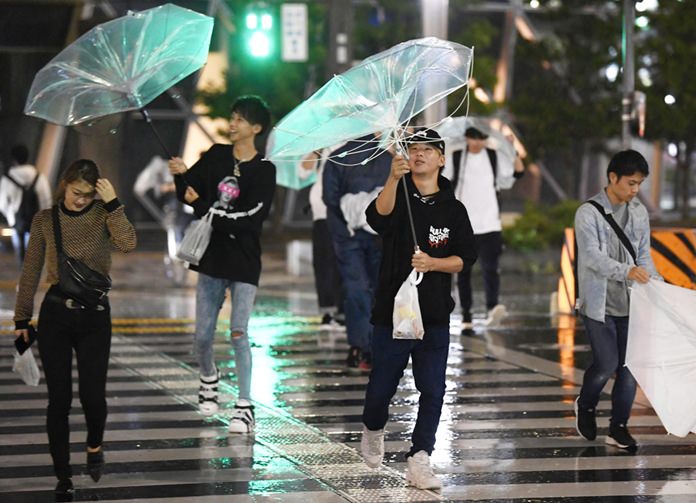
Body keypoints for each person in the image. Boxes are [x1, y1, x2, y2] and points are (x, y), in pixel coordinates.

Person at [360, 129, 477, 489]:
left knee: (434, 390)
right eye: (414, 149)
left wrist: (434, 263)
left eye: (428, 149)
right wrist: (392, 179)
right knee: (381, 387)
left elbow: (464, 259)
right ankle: (373, 428)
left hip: (434, 314)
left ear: (442, 159)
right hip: (393, 314)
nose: (419, 154)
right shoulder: (399, 195)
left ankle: (420, 458)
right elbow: (376, 219)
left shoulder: (453, 209)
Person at [13, 159, 136, 500]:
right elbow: (30, 272)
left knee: (92, 397)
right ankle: (63, 475)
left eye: (86, 195)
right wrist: (22, 319)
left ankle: (94, 446)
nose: (80, 200)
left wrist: (113, 203)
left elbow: (127, 244)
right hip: (56, 317)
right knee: (59, 400)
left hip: (95, 318)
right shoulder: (45, 220)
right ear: (64, 184)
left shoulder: (102, 215)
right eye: (75, 192)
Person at [168, 95, 275, 433]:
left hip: (244, 262)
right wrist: (179, 176)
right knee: (202, 336)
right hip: (212, 259)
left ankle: (244, 405)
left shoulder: (265, 171)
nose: (232, 124)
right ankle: (208, 377)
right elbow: (188, 194)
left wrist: (203, 207)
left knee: (239, 332)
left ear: (256, 128)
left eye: (240, 119)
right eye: (232, 117)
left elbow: (250, 221)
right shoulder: (215, 156)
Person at [573, 149, 660, 450]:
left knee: (629, 367)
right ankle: (585, 405)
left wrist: (657, 284)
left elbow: (644, 255)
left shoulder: (637, 211)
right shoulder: (588, 213)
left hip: (632, 303)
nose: (635, 190)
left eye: (639, 184)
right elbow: (593, 258)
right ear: (613, 177)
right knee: (606, 362)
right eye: (631, 183)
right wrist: (628, 271)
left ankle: (618, 427)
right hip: (598, 304)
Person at [442, 126, 524, 332]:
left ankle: (492, 308)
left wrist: (511, 147)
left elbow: (518, 172)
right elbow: (441, 176)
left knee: (491, 269)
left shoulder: (493, 156)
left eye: (481, 138)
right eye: (472, 138)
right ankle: (466, 315)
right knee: (463, 273)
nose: (476, 143)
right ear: (467, 138)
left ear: (486, 139)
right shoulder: (458, 157)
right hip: (464, 225)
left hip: (490, 223)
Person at [323, 134, 392, 368]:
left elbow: (330, 198)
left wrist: (345, 226)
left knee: (357, 289)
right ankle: (371, 346)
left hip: (347, 234)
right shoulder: (388, 158)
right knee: (374, 289)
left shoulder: (337, 158)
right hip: (379, 234)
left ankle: (361, 345)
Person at [298, 149, 345, 330]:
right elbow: (302, 172)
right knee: (323, 263)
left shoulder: (356, 141)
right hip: (321, 214)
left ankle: (343, 312)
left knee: (341, 263)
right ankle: (328, 311)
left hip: (345, 213)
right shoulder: (322, 145)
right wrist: (316, 152)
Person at [133, 155, 194, 284]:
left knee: (181, 240)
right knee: (175, 241)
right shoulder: (163, 173)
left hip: (183, 215)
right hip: (174, 215)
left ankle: (179, 273)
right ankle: (176, 274)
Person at [0, 144, 52, 263]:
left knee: (20, 252)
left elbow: (2, 202)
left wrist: (10, 214)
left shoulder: (7, 179)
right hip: (36, 221)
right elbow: (46, 199)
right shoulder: (39, 177)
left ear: (13, 159)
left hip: (17, 221)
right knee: (33, 254)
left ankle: (21, 274)